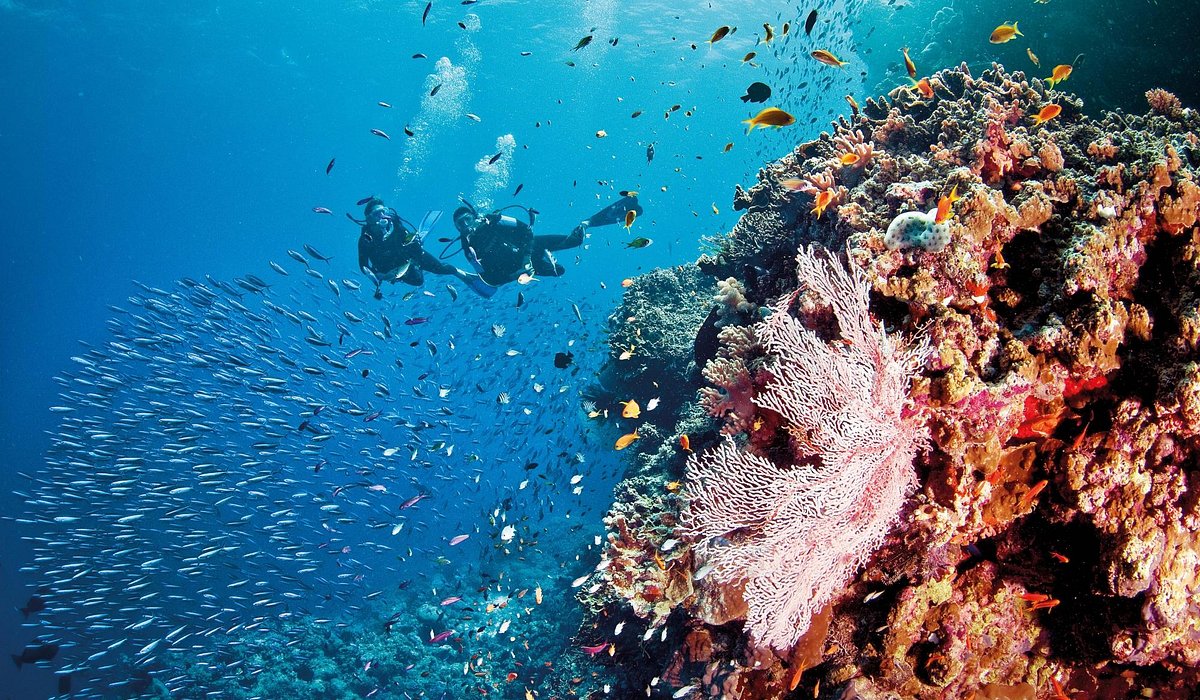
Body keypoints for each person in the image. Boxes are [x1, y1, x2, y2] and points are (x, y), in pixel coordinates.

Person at [448, 195, 643, 288]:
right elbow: (490, 280)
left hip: (531, 245)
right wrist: (516, 273)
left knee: (574, 241)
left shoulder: (494, 221)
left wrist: (526, 258)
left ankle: (587, 223)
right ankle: (545, 262)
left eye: (467, 219)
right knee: (558, 272)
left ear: (475, 216)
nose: (465, 225)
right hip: (518, 268)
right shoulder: (468, 249)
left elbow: (527, 230)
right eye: (460, 224)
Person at [357, 197, 494, 299]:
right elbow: (363, 265)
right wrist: (378, 276)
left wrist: (414, 246)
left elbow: (414, 248)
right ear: (369, 219)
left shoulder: (396, 226)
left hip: (410, 258)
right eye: (377, 214)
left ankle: (460, 273)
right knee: (418, 281)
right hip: (389, 270)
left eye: (384, 211)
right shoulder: (365, 239)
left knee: (440, 268)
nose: (382, 216)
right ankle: (412, 270)